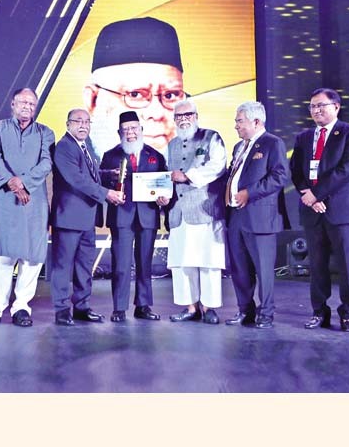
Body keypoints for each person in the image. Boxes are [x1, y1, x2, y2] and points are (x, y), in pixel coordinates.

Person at [290, 88, 349, 332]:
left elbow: (348, 168)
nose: (316, 110)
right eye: (312, 106)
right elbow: (296, 171)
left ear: (336, 107)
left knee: (347, 266)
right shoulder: (303, 137)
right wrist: (308, 195)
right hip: (312, 210)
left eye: (321, 105)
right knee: (317, 266)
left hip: (341, 210)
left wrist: (317, 193)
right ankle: (319, 312)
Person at [0, 88, 55, 327]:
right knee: (3, 254)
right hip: (5, 198)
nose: (27, 106)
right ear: (12, 104)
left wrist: (22, 182)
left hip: (34, 200)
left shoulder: (46, 132)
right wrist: (12, 183)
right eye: (23, 102)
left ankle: (21, 306)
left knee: (32, 256)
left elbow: (46, 162)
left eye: (31, 103)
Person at [51, 109, 125, 325]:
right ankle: (62, 309)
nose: (83, 125)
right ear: (68, 124)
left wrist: (107, 176)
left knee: (85, 265)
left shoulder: (84, 146)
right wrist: (106, 193)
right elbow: (76, 179)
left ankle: (82, 306)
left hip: (87, 218)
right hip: (68, 218)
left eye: (86, 121)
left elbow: (88, 174)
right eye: (78, 121)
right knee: (63, 265)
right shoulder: (64, 147)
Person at [223, 101, 289, 329]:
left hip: (260, 217)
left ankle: (266, 314)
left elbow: (280, 176)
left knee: (263, 270)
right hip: (235, 215)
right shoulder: (238, 147)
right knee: (239, 268)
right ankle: (245, 310)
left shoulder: (273, 143)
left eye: (239, 121)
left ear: (256, 121)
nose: (236, 126)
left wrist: (249, 193)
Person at [99, 111, 169, 322]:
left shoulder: (155, 155)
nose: (130, 133)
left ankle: (143, 306)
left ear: (141, 130)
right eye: (125, 129)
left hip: (147, 215)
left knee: (145, 263)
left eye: (134, 128)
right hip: (121, 216)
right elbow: (101, 184)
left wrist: (164, 198)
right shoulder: (110, 155)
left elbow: (164, 183)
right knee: (121, 264)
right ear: (119, 132)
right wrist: (111, 185)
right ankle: (119, 308)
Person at [84, 17, 187, 155]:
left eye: (170, 95)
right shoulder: (70, 160)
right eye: (135, 94)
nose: (156, 114)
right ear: (93, 100)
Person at [166, 100, 227, 325]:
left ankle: (209, 307)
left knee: (208, 261)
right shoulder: (171, 144)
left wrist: (189, 176)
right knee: (182, 263)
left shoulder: (212, 137)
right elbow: (167, 175)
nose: (183, 119)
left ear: (196, 115)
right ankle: (190, 307)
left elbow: (218, 165)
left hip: (204, 210)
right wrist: (162, 195)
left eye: (187, 115)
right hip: (178, 212)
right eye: (178, 116)